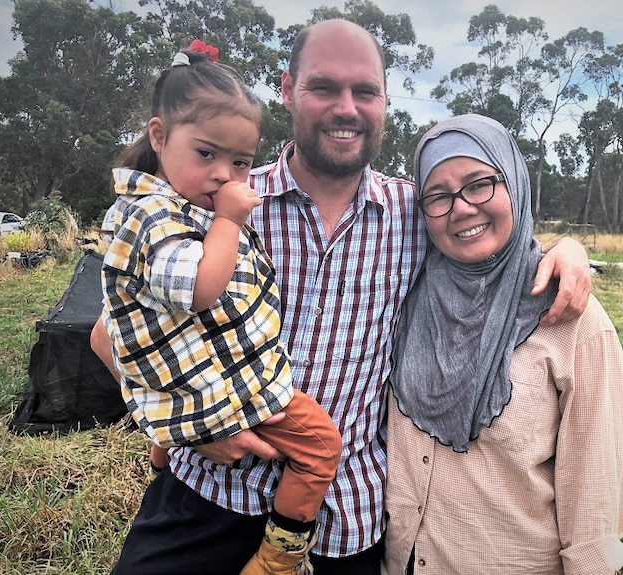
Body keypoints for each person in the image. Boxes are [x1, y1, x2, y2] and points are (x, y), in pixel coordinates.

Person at [92, 19, 593, 575]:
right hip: (208, 493)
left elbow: (490, 237)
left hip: (344, 517)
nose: (346, 108)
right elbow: (110, 334)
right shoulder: (222, 198)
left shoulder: (413, 214)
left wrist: (567, 249)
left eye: (366, 91)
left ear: (384, 100)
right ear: (287, 90)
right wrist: (192, 423)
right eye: (324, 87)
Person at [98, 40, 342, 575]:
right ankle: (279, 558)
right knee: (323, 444)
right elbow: (201, 291)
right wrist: (231, 222)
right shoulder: (155, 218)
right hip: (229, 399)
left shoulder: (178, 212)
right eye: (206, 154)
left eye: (240, 162)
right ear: (159, 136)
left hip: (209, 395)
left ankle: (164, 452)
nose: (225, 176)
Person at [384, 114, 623, 574]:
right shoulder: (404, 292)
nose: (460, 208)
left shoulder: (571, 318)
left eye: (480, 184)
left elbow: (596, 494)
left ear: (515, 182)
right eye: (438, 196)